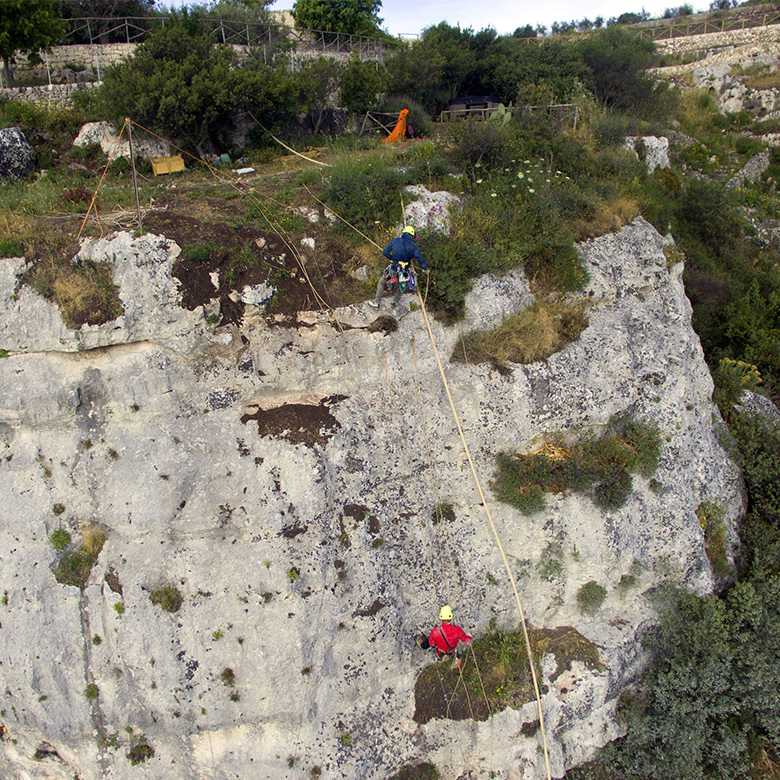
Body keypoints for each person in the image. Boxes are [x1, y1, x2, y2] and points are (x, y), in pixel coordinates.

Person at [368, 225, 429, 311]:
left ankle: (377, 303)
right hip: (405, 271)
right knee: (402, 285)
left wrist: (392, 258)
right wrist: (425, 268)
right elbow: (419, 258)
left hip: (393, 268)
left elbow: (385, 252)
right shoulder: (414, 246)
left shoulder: (395, 241)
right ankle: (395, 302)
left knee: (382, 283)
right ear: (412, 235)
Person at [416, 605, 472, 670]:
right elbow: (465, 640)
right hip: (451, 651)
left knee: (429, 639)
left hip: (440, 651)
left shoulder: (436, 631)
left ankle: (422, 646)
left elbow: (431, 643)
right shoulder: (458, 630)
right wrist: (470, 637)